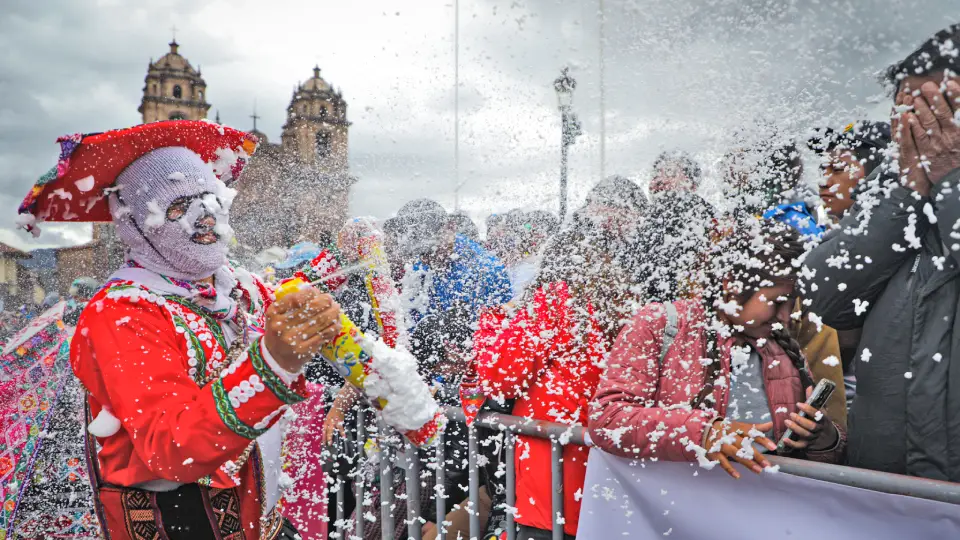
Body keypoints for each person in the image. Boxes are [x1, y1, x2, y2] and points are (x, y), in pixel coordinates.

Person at [16, 121, 343, 539]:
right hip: (180, 522)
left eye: (211, 199)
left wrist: (340, 257)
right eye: (178, 206)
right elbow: (172, 447)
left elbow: (286, 292)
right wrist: (273, 364)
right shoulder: (121, 311)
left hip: (259, 517)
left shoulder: (230, 285)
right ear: (136, 223)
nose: (204, 216)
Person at [801, 24, 960, 481]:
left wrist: (950, 180)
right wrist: (906, 192)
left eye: (938, 109)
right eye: (909, 111)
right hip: (883, 482)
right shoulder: (890, 188)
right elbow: (824, 295)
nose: (921, 128)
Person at [590, 219, 846, 479]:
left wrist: (825, 438)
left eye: (791, 303)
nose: (785, 316)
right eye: (776, 302)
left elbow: (818, 463)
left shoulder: (785, 350)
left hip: (761, 502)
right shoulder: (660, 324)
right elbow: (607, 420)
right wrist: (704, 433)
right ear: (732, 286)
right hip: (672, 500)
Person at [475, 220, 638, 540]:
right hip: (599, 466)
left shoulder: (555, 300)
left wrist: (493, 319)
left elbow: (499, 377)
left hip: (553, 475)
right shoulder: (619, 304)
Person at [805, 121, 892, 411]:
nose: (824, 182)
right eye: (823, 170)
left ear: (877, 172)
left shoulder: (891, 247)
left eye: (838, 169)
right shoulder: (834, 237)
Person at [634, 153, 714, 302]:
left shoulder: (704, 218)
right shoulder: (645, 222)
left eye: (669, 173)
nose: (658, 180)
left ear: (691, 184)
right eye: (655, 175)